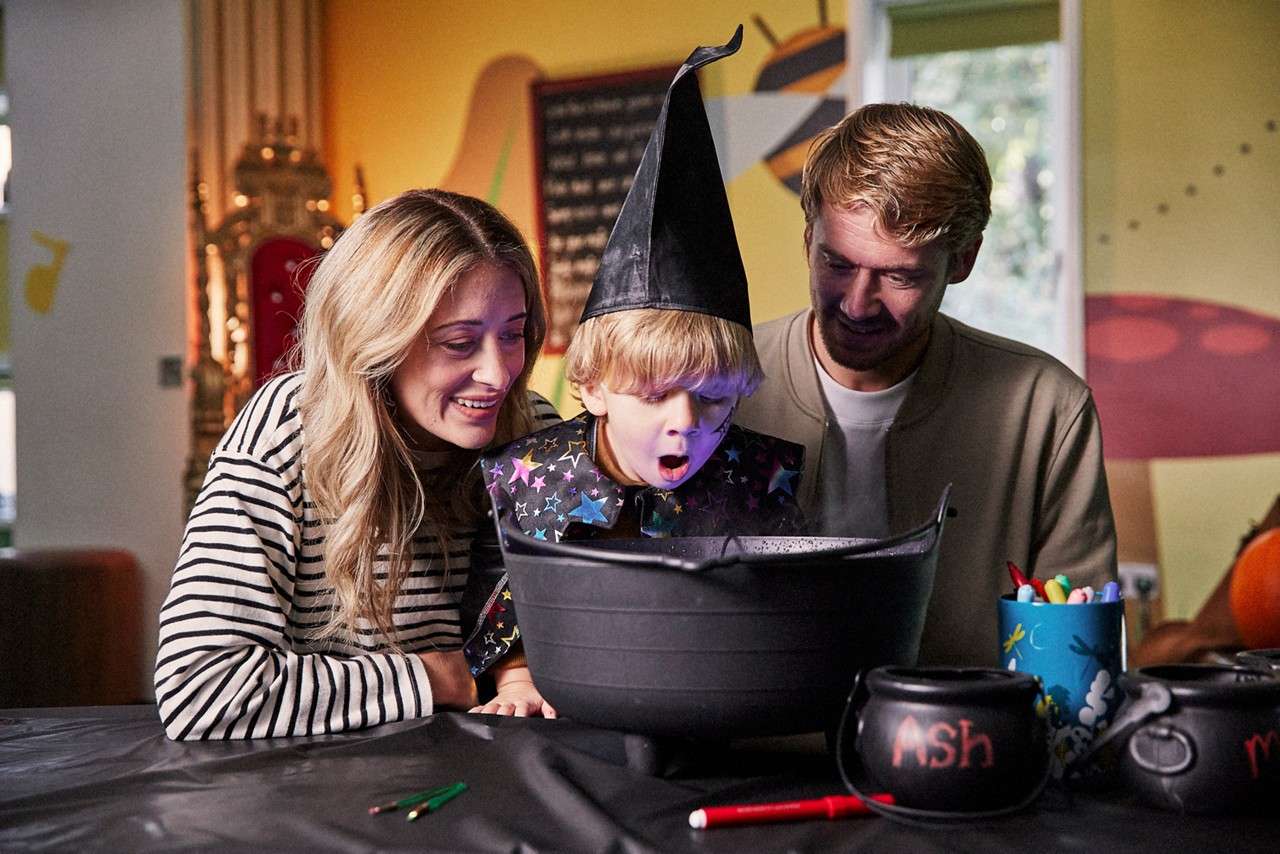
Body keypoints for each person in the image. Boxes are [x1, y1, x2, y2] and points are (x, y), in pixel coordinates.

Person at [465, 27, 805, 716]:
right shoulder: (523, 478)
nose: (685, 423)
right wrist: (518, 679)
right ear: (590, 388)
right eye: (653, 395)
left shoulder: (764, 480)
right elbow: (504, 592)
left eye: (712, 400)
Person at [154, 189, 558, 740]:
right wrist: (436, 679)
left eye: (512, 334)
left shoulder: (532, 428)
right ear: (376, 341)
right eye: (460, 343)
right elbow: (200, 689)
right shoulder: (286, 428)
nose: (498, 373)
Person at [735, 103, 1118, 666]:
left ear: (962, 261)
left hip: (970, 747)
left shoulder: (1048, 411)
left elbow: (1074, 659)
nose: (858, 303)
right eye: (836, 263)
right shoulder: (711, 388)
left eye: (899, 276)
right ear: (807, 236)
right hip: (750, 751)